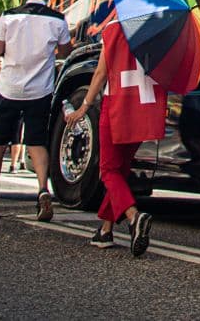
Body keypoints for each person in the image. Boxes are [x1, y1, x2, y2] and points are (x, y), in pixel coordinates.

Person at [63, 15, 165, 257]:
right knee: (120, 170)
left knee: (108, 170)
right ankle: (106, 230)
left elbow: (100, 73)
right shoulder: (159, 28)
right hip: (147, 103)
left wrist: (84, 107)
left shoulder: (113, 28)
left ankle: (133, 217)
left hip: (118, 102)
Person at [0, 0, 72, 220]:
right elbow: (65, 52)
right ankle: (43, 188)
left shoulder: (10, 16)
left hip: (9, 87)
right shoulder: (58, 20)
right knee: (36, 143)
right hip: (39, 90)